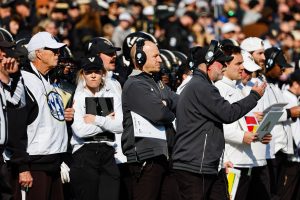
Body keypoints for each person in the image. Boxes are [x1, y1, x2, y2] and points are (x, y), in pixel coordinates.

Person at [172, 41, 266, 200]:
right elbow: (227, 114)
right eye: (221, 62)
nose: (224, 66)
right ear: (209, 62)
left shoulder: (202, 85)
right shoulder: (201, 86)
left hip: (207, 165)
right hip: (195, 166)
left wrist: (222, 161)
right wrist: (254, 96)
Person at [15, 31, 74, 200]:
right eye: (53, 50)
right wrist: (23, 167)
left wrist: (66, 118)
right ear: (38, 53)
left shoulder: (47, 81)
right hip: (35, 164)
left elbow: (48, 117)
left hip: (54, 160)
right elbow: (17, 127)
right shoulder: (24, 80)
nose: (58, 54)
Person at [122, 38, 178, 200]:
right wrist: (169, 109)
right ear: (140, 58)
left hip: (163, 156)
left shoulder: (156, 83)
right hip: (146, 159)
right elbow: (160, 114)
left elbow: (179, 101)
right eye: (155, 56)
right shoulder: (135, 85)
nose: (160, 59)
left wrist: (165, 102)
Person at [215, 44, 272, 200]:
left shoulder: (239, 89)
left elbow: (244, 122)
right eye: (238, 64)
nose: (242, 68)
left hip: (247, 161)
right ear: (225, 65)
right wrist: (242, 137)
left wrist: (259, 135)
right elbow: (219, 126)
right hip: (231, 162)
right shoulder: (218, 89)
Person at [70, 56, 123, 200]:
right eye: (88, 72)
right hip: (84, 154)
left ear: (103, 73)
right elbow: (80, 131)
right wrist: (107, 122)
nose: (93, 75)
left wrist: (95, 119)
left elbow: (119, 126)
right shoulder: (78, 97)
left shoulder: (112, 95)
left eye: (97, 71)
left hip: (108, 154)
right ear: (83, 74)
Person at [0, 29, 25, 200]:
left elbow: (16, 102)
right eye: (2, 50)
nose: (5, 55)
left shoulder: (6, 80)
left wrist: (11, 76)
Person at [278, 69, 300, 199]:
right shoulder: (283, 97)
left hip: (298, 157)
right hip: (288, 156)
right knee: (285, 194)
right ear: (296, 83)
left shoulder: (297, 98)